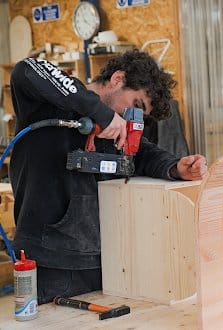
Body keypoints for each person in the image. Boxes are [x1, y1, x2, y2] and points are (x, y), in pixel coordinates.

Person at [9, 50, 207, 304]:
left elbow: (140, 152)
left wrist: (176, 167)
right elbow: (26, 69)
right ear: (117, 79)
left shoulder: (115, 131)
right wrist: (101, 113)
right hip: (51, 261)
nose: (131, 117)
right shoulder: (51, 103)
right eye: (136, 105)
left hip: (103, 261)